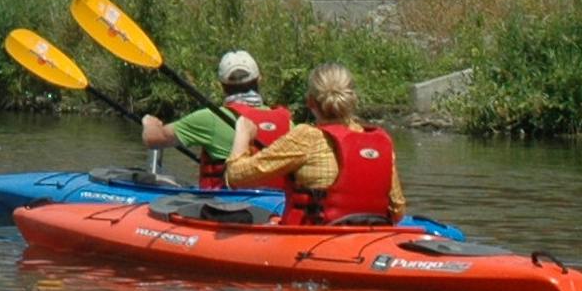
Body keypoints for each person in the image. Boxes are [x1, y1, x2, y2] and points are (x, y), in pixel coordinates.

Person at [224, 61, 406, 223]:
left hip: (317, 238)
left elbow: (235, 177)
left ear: (310, 102)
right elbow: (397, 211)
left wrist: (243, 133)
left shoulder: (305, 136)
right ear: (353, 99)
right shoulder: (379, 140)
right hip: (370, 237)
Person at [141, 50, 292, 188]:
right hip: (277, 208)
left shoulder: (210, 118)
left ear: (221, 86)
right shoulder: (287, 122)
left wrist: (150, 123)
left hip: (225, 208)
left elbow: (152, 139)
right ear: (259, 79)